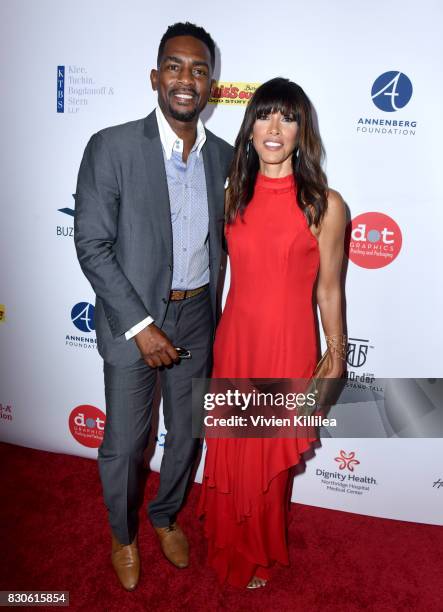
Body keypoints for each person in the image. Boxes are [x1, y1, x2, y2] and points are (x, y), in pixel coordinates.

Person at [74, 22, 233, 591]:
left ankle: (165, 517)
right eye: (174, 66)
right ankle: (123, 536)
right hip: (131, 320)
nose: (186, 79)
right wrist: (140, 325)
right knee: (123, 443)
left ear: (211, 84)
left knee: (187, 434)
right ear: (154, 76)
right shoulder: (111, 147)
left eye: (198, 69)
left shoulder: (225, 158)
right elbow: (91, 243)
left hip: (197, 316)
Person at [198, 77, 347, 589]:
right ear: (249, 128)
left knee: (269, 458)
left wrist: (338, 350)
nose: (275, 127)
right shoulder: (231, 196)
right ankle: (227, 540)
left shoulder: (326, 205)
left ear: (302, 130)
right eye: (264, 115)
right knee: (233, 448)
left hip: (288, 347)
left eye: (288, 117)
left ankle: (258, 551)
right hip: (235, 342)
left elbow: (329, 289)